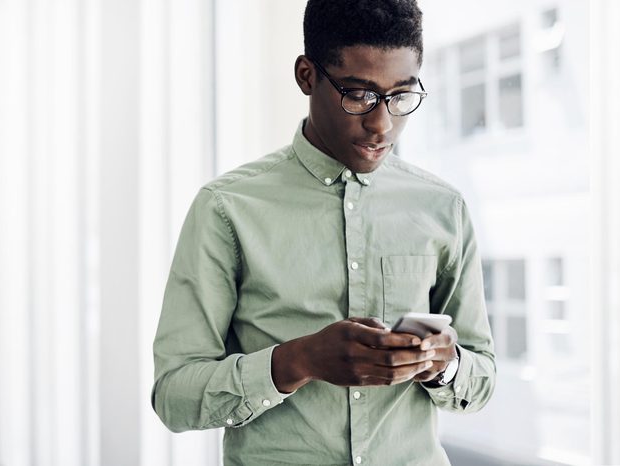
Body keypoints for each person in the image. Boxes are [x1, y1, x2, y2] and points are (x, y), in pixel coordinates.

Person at [152, 0, 496, 464]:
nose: (382, 124)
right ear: (306, 76)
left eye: (400, 96)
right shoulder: (227, 208)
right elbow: (174, 397)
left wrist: (443, 364)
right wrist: (301, 360)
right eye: (358, 94)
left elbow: (483, 378)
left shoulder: (443, 208)